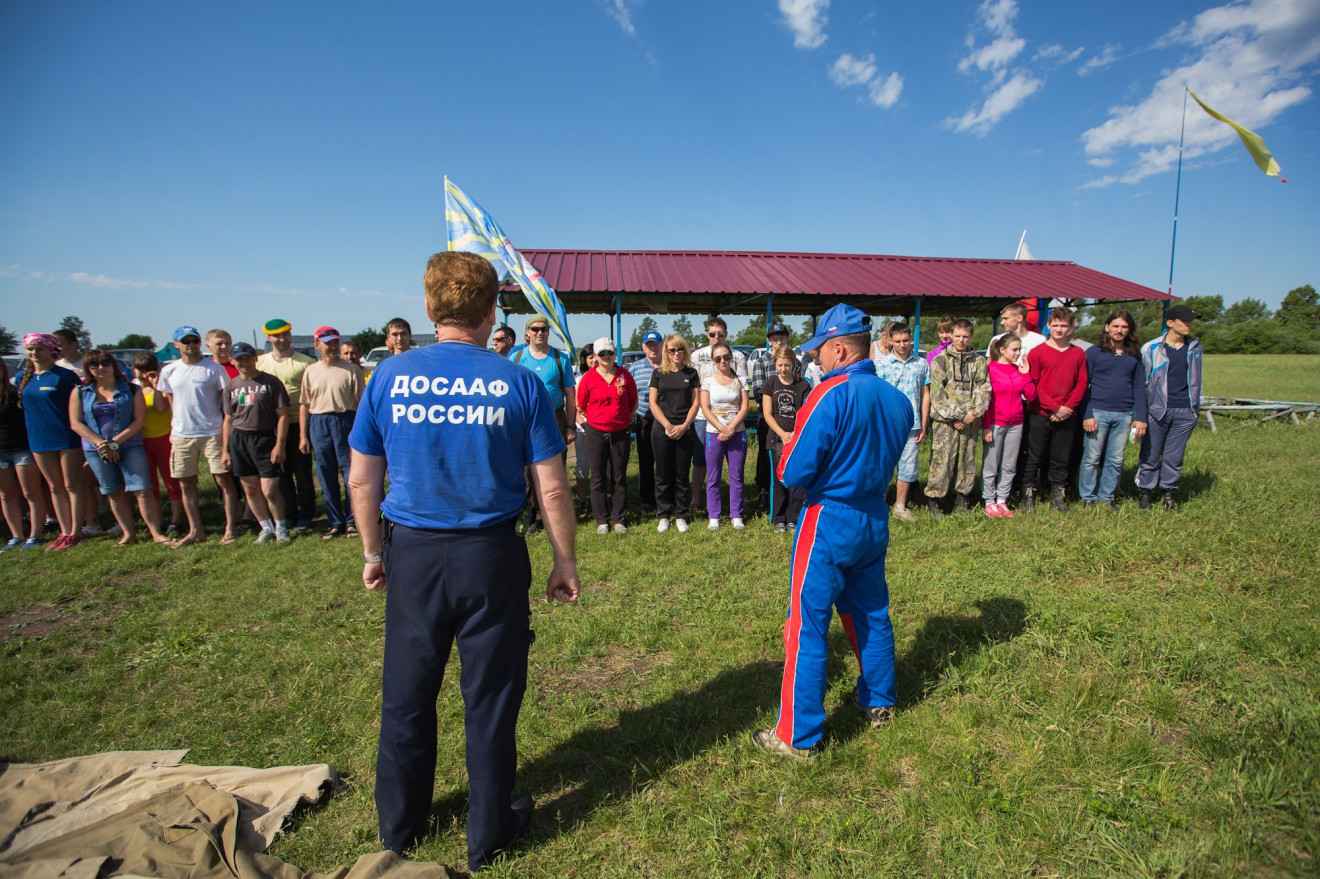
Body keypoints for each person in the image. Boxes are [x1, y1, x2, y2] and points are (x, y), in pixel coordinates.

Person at [347, 250, 579, 870]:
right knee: (491, 696)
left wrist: (373, 551)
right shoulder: (518, 380)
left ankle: (399, 828)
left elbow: (362, 481)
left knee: (407, 692)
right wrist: (565, 561)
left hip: (413, 552)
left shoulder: (389, 377)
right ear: (492, 310)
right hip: (490, 554)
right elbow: (551, 486)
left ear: (429, 308)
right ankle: (489, 832)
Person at [754, 303, 913, 760]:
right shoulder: (897, 400)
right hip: (873, 516)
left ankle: (797, 735)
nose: (815, 360)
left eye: (819, 350)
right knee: (871, 613)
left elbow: (794, 467)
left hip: (828, 518)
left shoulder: (828, 393)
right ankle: (880, 702)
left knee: (807, 624)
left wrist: (788, 461)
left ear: (839, 349)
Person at [68, 349, 168, 545]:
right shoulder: (80, 392)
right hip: (97, 450)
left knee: (142, 489)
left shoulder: (131, 390)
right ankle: (128, 534)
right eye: (94, 364)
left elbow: (139, 420)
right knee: (113, 490)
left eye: (105, 363)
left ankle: (156, 533)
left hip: (129, 445)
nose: (101, 367)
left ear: (113, 365)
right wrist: (101, 444)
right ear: (87, 369)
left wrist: (116, 442)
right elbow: (76, 423)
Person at [157, 325, 241, 547]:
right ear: (176, 345)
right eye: (186, 341)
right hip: (182, 435)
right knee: (187, 484)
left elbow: (227, 406)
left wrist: (225, 436)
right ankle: (196, 530)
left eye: (194, 341)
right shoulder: (169, 371)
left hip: (212, 432)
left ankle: (231, 528)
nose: (191, 345)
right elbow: (171, 401)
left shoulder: (213, 369)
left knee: (224, 480)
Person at [17, 333, 85, 550]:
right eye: (30, 349)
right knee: (55, 487)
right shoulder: (22, 378)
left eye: (39, 349)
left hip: (66, 437)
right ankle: (65, 531)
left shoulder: (65, 376)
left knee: (71, 485)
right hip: (38, 438)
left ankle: (76, 531)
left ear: (50, 350)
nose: (34, 353)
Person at [221, 342, 291, 544]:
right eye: (239, 359)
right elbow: (228, 419)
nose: (244, 362)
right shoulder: (231, 386)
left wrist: (280, 444)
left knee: (270, 489)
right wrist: (225, 450)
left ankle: (281, 526)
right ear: (233, 361)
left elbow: (283, 415)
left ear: (255, 358)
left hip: (265, 438)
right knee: (250, 488)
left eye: (247, 358)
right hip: (240, 440)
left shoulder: (270, 382)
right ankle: (265, 527)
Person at [1137, 304, 1202, 512]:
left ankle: (1169, 494)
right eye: (1185, 321)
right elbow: (1142, 382)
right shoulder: (1152, 348)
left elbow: (1196, 379)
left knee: (1175, 456)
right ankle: (1145, 493)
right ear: (1170, 323)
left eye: (1191, 321)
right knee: (1151, 454)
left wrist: (1195, 409)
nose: (1190, 325)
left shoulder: (1195, 347)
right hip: (1157, 410)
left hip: (1185, 410)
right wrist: (1141, 413)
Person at [301, 326, 364, 539]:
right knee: (325, 473)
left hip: (345, 420)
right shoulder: (311, 371)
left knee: (350, 473)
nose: (332, 347)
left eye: (335, 342)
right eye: (327, 343)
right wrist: (303, 435)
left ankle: (352, 520)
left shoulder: (351, 370)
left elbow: (360, 404)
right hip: (319, 421)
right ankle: (335, 521)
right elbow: (305, 404)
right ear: (317, 345)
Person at [1023, 308, 1088, 513]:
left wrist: (1067, 408)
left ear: (1071, 327)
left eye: (1064, 326)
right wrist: (1054, 407)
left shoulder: (1077, 353)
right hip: (1040, 413)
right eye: (1055, 325)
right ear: (1048, 326)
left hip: (1067, 415)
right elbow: (1034, 383)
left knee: (1061, 458)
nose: (1059, 330)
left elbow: (1082, 382)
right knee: (1034, 456)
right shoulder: (1037, 353)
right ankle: (1029, 495)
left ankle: (1058, 497)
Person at [1080, 309, 1147, 509]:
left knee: (1115, 459)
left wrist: (1140, 416)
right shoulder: (1094, 352)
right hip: (1098, 411)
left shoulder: (1134, 355)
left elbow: (1138, 386)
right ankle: (1087, 498)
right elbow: (1084, 385)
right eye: (1115, 326)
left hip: (1125, 414)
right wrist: (1088, 414)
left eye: (1124, 327)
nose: (1119, 330)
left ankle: (1106, 497)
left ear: (1129, 330)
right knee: (1091, 458)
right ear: (1107, 327)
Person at [925, 319, 989, 517]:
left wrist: (973, 414)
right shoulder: (941, 360)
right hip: (946, 422)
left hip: (970, 421)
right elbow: (937, 395)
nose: (961, 340)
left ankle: (962, 500)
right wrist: (959, 415)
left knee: (966, 461)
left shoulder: (978, 361)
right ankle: (935, 499)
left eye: (965, 336)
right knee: (942, 461)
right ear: (951, 335)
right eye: (957, 336)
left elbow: (983, 389)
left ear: (971, 337)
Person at [257, 319, 317, 531]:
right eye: (277, 336)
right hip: (271, 427)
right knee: (281, 475)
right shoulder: (260, 363)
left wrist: (304, 433)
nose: (282, 339)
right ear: (268, 338)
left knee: (302, 474)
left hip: (299, 424)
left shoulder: (305, 362)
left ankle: (307, 514)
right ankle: (289, 514)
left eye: (285, 334)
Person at [576, 337, 637, 534]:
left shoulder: (625, 376)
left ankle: (618, 518)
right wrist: (594, 421)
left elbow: (632, 403)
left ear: (615, 353)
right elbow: (581, 405)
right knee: (598, 477)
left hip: (620, 432)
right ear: (595, 356)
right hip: (596, 432)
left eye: (610, 352)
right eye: (602, 353)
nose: (606, 356)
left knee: (619, 476)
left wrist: (620, 420)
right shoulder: (588, 378)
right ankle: (601, 520)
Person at [689, 317, 747, 515]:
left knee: (734, 468)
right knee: (700, 461)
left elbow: (741, 387)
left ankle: (734, 508)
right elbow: (694, 386)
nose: (716, 337)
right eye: (712, 334)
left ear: (726, 335)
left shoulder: (737, 356)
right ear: (707, 335)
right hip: (703, 415)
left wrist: (729, 426)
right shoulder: (696, 355)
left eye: (720, 334)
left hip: (732, 420)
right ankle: (697, 498)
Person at [874, 323, 930, 521]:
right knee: (885, 465)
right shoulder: (881, 367)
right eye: (897, 341)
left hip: (912, 424)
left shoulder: (921, 365)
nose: (902, 344)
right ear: (890, 341)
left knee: (908, 466)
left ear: (910, 340)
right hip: (888, 425)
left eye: (905, 340)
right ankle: (880, 505)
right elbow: (877, 397)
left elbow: (925, 395)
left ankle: (900, 506)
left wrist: (924, 423)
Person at [648, 334, 700, 534]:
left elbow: (695, 402)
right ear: (666, 352)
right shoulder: (658, 373)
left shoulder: (692, 373)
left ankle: (681, 514)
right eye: (672, 350)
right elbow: (653, 402)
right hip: (662, 429)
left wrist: (685, 425)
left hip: (685, 429)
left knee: (681, 474)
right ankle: (663, 515)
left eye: (679, 349)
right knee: (662, 474)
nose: (676, 353)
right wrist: (668, 425)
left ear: (685, 350)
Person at [54, 328, 103, 536]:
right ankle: (76, 520)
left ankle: (94, 518)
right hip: (65, 427)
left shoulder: (86, 366)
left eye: (60, 344)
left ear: (74, 344)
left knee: (88, 476)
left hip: (92, 426)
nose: (56, 349)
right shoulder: (54, 368)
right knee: (70, 480)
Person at [981, 334, 1036, 517]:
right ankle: (989, 500)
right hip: (996, 422)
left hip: (1016, 423)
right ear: (1002, 350)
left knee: (1009, 464)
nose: (1018, 353)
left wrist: (1026, 375)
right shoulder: (990, 370)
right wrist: (986, 425)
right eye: (1015, 349)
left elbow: (1031, 396)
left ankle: (1002, 500)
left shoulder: (1018, 369)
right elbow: (986, 401)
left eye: (1019, 349)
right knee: (991, 464)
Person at [133, 353, 186, 536]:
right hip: (142, 441)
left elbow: (161, 408)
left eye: (148, 371)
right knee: (150, 484)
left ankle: (176, 519)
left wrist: (156, 385)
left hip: (163, 438)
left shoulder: (162, 388)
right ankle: (157, 520)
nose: (143, 375)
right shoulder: (133, 390)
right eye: (139, 370)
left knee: (171, 482)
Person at [700, 341, 749, 531]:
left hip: (737, 433)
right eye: (718, 358)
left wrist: (730, 428)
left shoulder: (741, 380)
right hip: (714, 434)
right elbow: (705, 408)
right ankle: (714, 515)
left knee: (736, 475)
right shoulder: (707, 381)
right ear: (713, 361)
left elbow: (744, 407)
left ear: (731, 358)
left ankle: (736, 514)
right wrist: (721, 428)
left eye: (726, 357)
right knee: (713, 477)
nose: (723, 361)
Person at [761, 346, 810, 532]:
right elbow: (768, 414)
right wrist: (782, 433)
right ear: (775, 364)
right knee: (778, 479)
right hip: (776, 440)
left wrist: (796, 435)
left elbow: (805, 414)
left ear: (793, 365)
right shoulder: (770, 385)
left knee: (795, 479)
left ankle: (793, 517)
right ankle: (779, 517)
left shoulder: (803, 385)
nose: (783, 369)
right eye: (780, 365)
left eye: (787, 365)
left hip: (797, 439)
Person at [0, 356, 46, 551]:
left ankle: (35, 535)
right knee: (6, 495)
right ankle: (16, 536)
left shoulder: (16, 393)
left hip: (22, 449)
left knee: (31, 493)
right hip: (1, 454)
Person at [750, 322, 793, 514]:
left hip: (790, 420)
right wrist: (774, 408)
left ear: (786, 338)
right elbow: (759, 391)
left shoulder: (793, 361)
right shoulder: (762, 361)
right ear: (769, 341)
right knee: (766, 458)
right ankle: (764, 493)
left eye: (781, 337)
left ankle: (790, 496)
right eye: (774, 338)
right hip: (767, 419)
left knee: (788, 456)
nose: (778, 341)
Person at [628, 330, 663, 514]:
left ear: (662, 345)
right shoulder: (635, 368)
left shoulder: (668, 366)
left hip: (665, 421)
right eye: (649, 345)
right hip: (644, 419)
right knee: (645, 461)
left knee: (664, 461)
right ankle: (647, 498)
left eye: (656, 344)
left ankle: (664, 496)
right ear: (643, 347)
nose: (653, 348)